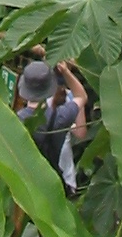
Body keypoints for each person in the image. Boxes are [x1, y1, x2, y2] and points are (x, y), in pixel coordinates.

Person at [14, 58, 87, 196]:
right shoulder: (61, 116)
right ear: (50, 87)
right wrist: (65, 71)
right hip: (51, 187)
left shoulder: (16, 120)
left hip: (25, 189)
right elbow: (81, 96)